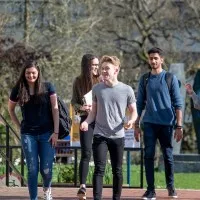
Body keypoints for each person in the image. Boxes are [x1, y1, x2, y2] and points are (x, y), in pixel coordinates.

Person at [80, 55, 137, 200]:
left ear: (116, 70)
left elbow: (134, 111)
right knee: (99, 169)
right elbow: (93, 112)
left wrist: (131, 121)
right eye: (102, 68)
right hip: (100, 135)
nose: (103, 71)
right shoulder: (97, 89)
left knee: (117, 171)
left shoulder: (127, 90)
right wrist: (86, 122)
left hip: (118, 135)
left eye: (107, 68)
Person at [135, 47, 183, 200]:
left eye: (156, 58)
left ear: (162, 59)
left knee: (168, 156)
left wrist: (179, 126)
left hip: (167, 124)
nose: (153, 61)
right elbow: (139, 104)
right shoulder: (144, 79)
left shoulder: (170, 78)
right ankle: (150, 190)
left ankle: (171, 187)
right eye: (151, 58)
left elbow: (178, 103)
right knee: (148, 155)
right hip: (149, 123)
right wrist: (136, 125)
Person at [8, 60, 59, 200]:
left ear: (38, 73)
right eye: (28, 73)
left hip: (47, 133)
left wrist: (56, 132)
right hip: (28, 134)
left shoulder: (48, 87)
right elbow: (11, 110)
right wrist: (20, 127)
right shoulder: (18, 89)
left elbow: (55, 109)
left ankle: (47, 190)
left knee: (46, 169)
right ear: (24, 74)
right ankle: (33, 198)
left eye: (33, 73)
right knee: (32, 169)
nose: (31, 75)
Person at [71, 54, 99, 199]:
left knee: (100, 153)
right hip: (85, 119)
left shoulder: (102, 79)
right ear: (86, 66)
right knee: (86, 152)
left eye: (97, 65)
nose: (96, 68)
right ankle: (82, 186)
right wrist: (82, 107)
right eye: (93, 65)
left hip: (102, 120)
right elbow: (73, 102)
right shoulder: (78, 81)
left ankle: (98, 187)